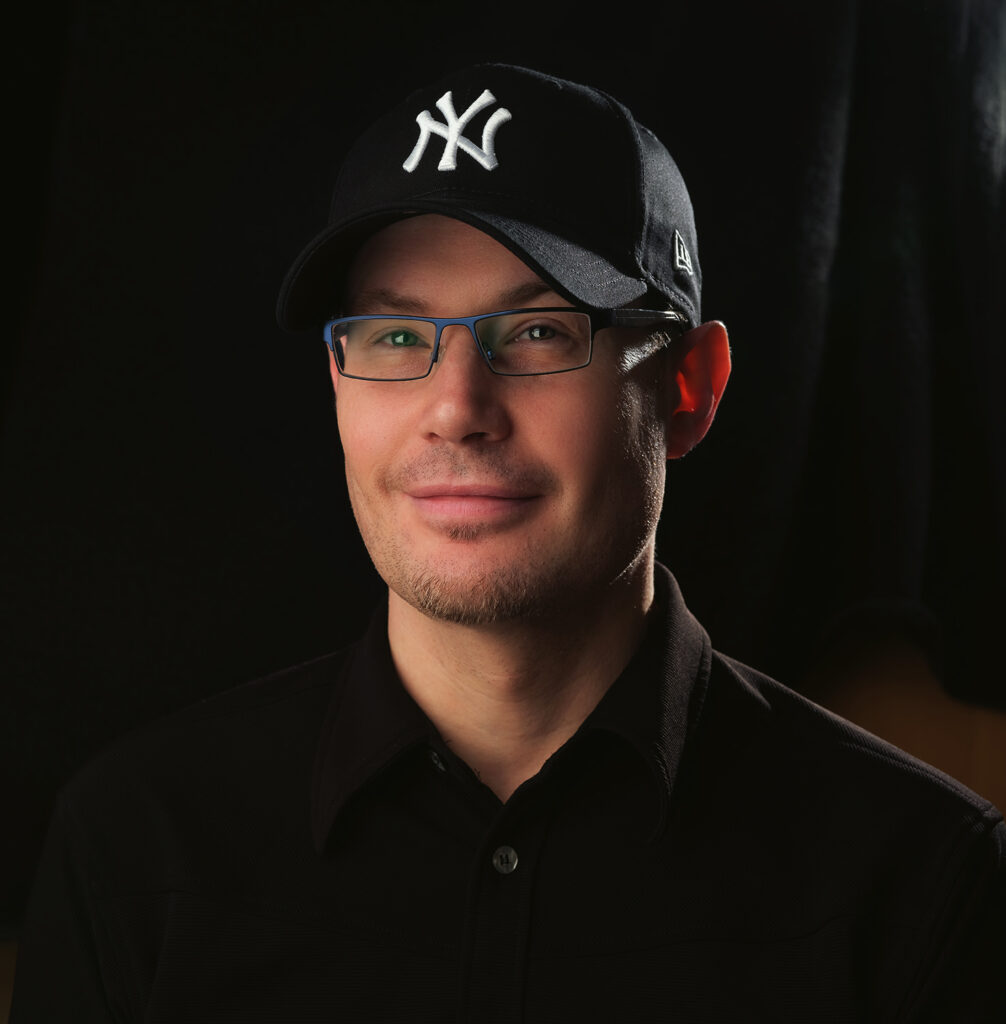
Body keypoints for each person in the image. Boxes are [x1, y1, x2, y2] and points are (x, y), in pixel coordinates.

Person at [12, 63, 1004, 1022]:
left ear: (688, 388)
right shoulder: (135, 852)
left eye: (537, 332)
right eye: (395, 338)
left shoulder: (919, 885)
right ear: (336, 383)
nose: (456, 409)